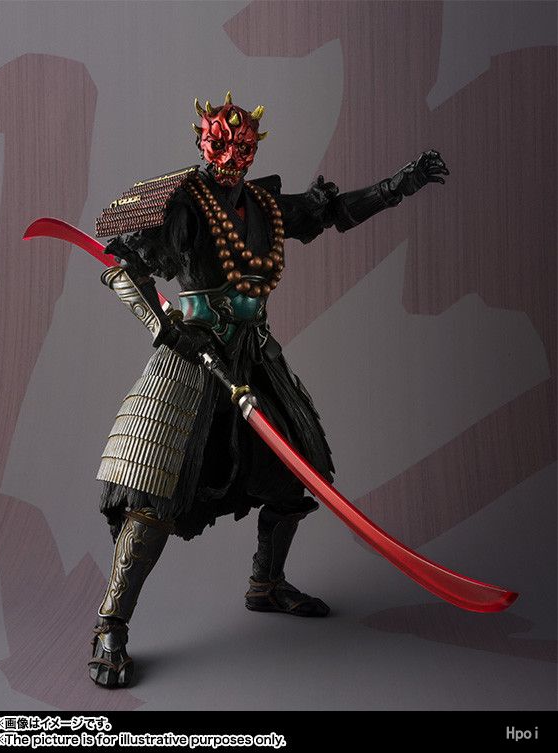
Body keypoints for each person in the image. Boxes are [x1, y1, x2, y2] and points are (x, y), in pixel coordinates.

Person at [88, 91, 449, 687]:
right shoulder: (182, 202)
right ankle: (111, 624)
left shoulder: (264, 206)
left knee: (300, 464)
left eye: (243, 146)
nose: (231, 156)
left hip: (254, 353)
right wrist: (163, 326)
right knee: (153, 488)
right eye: (220, 144)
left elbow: (330, 213)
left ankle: (267, 582)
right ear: (202, 141)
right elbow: (122, 264)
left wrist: (397, 186)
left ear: (255, 148)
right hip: (192, 356)